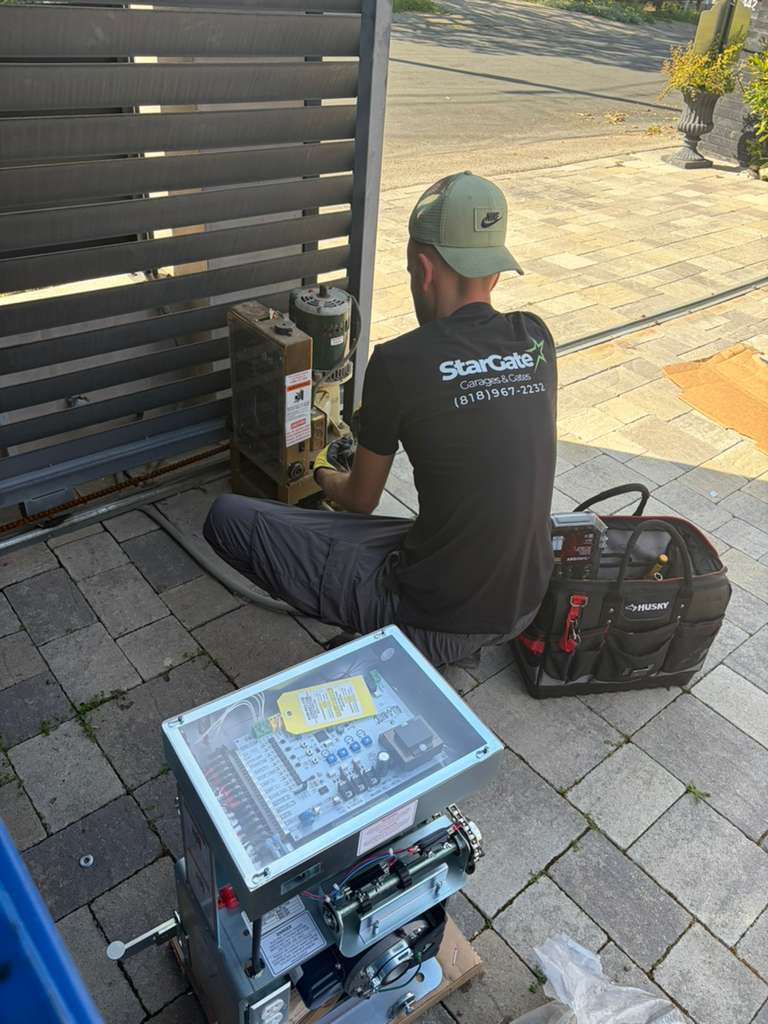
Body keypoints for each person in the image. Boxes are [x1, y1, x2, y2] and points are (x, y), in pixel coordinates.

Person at [204, 171, 557, 667]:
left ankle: (407, 643)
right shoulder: (535, 337)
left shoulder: (399, 361)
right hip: (526, 599)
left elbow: (360, 501)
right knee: (420, 528)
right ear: (495, 272)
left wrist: (321, 468)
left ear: (423, 267)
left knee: (229, 518)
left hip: (439, 617)